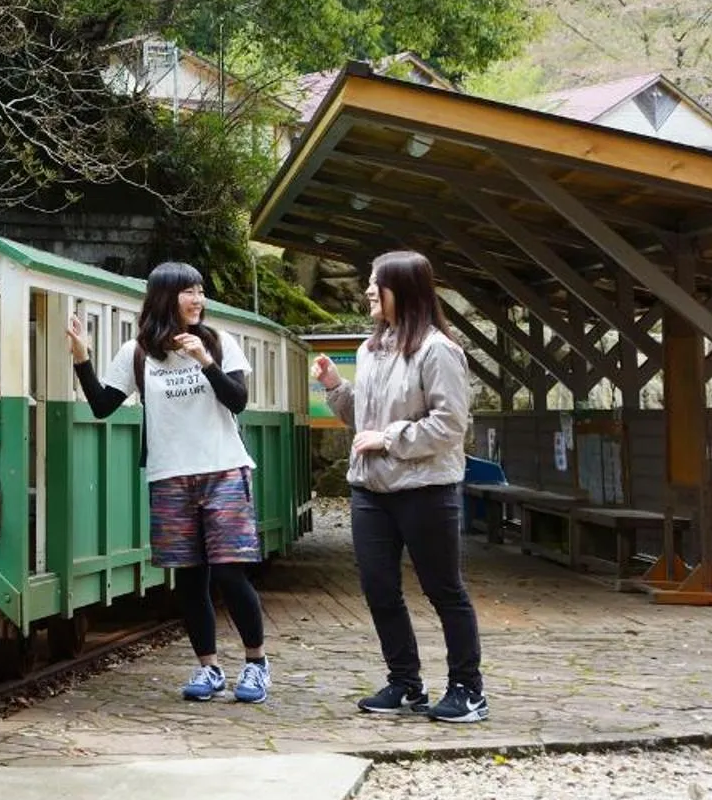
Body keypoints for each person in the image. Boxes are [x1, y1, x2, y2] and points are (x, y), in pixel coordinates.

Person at [66, 261, 269, 703]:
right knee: (190, 580)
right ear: (164, 297)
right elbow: (103, 406)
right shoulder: (137, 352)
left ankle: (256, 664)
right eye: (188, 292)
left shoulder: (220, 342)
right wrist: (82, 358)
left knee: (232, 574)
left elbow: (237, 401)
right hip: (170, 476)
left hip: (223, 470)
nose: (198, 300)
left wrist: (206, 362)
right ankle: (208, 669)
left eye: (201, 291)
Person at [312, 249, 487, 725]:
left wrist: (388, 439)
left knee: (443, 589)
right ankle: (406, 683)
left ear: (404, 290)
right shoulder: (370, 350)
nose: (368, 289)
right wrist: (334, 387)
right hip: (370, 490)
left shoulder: (438, 351)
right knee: (378, 588)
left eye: (377, 282)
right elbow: (361, 420)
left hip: (426, 488)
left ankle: (467, 690)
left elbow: (451, 425)